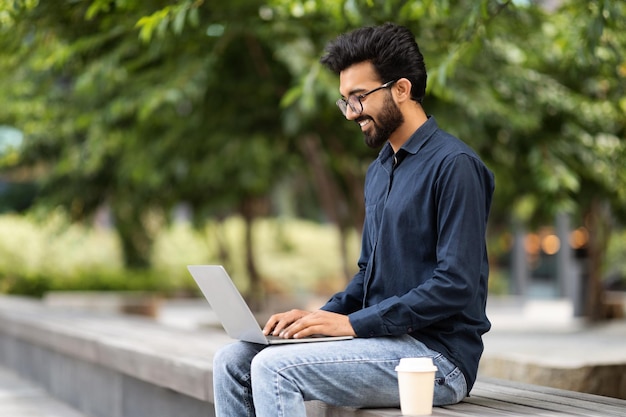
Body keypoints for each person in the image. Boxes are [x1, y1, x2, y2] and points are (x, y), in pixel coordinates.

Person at [212, 22, 495, 417]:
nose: (351, 114)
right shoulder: (380, 170)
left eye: (359, 98)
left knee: (275, 370)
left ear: (401, 88)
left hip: (436, 360)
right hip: (381, 343)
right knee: (232, 361)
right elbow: (368, 275)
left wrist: (352, 325)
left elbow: (455, 286)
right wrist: (319, 318)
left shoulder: (455, 166)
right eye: (345, 101)